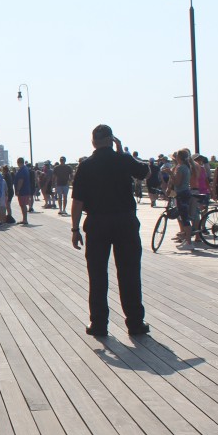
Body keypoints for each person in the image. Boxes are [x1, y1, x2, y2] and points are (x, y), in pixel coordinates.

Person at [71, 124, 150, 337]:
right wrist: (123, 152)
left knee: (97, 274)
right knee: (129, 272)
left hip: (97, 223)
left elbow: (77, 201)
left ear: (93, 142)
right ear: (111, 140)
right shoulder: (123, 159)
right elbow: (145, 172)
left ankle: (98, 324)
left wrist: (75, 228)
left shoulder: (86, 165)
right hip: (125, 221)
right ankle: (135, 323)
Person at [14, 157, 32, 224]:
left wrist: (18, 190)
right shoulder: (25, 169)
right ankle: (24, 219)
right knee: (22, 205)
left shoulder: (22, 170)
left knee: (23, 205)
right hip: (25, 189)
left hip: (23, 190)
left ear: (18, 162)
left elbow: (21, 180)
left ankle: (25, 219)